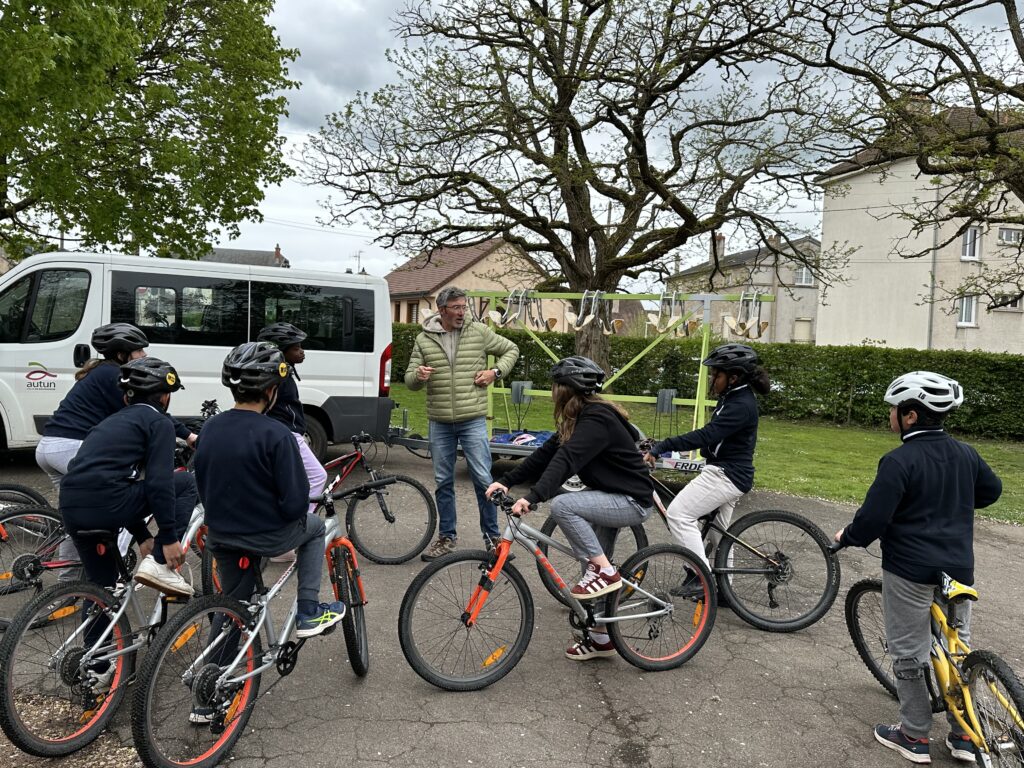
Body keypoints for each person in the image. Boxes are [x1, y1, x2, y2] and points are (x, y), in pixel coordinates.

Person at [834, 371, 1002, 764]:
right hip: (958, 567)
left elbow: (873, 519)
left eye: (894, 410)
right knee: (958, 649)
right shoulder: (965, 453)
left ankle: (914, 735)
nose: (889, 415)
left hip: (911, 569)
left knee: (909, 652)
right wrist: (950, 503)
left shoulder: (898, 460)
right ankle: (964, 735)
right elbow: (991, 491)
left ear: (910, 416)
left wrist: (846, 536)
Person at [485, 356, 655, 661]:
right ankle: (602, 638)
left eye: (554, 384)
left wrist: (534, 497)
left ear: (566, 389)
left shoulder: (596, 419)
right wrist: (508, 481)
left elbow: (567, 461)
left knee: (564, 505)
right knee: (589, 568)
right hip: (609, 495)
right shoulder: (577, 418)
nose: (551, 390)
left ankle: (605, 571)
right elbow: (547, 454)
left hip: (631, 501)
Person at [193, 342, 345, 640]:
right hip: (267, 535)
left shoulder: (210, 427)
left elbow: (203, 482)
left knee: (234, 607)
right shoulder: (277, 434)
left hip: (221, 534)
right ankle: (309, 611)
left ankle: (215, 672)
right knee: (315, 529)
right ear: (271, 391)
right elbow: (293, 504)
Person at [34, 323, 198, 578]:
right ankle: (136, 563)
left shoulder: (102, 377)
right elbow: (151, 415)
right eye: (139, 351)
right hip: (70, 444)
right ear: (123, 354)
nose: (143, 355)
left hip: (51, 448)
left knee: (85, 509)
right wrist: (188, 435)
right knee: (123, 490)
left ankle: (72, 586)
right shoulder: (119, 377)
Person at [59, 357, 198, 598]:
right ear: (165, 397)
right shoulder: (159, 423)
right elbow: (159, 483)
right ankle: (159, 565)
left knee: (101, 591)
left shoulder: (107, 423)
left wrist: (142, 535)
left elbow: (115, 481)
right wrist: (167, 537)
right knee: (186, 483)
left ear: (126, 397)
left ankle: (96, 635)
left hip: (71, 506)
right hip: (109, 503)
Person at [405, 286, 520, 560]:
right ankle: (446, 538)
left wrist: (495, 372)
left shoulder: (478, 332)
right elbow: (409, 380)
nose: (461, 312)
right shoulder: (424, 339)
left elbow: (511, 349)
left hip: (472, 420)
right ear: (442, 310)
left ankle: (493, 539)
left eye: (464, 307)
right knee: (444, 481)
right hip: (440, 422)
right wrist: (418, 376)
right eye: (456, 307)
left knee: (483, 480)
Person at [643, 343, 770, 571]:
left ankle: (700, 579)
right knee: (719, 536)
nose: (712, 379)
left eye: (716, 374)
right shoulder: (732, 397)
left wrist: (664, 445)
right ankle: (723, 590)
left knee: (679, 515)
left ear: (733, 377)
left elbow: (707, 436)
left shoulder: (741, 404)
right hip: (729, 472)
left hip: (725, 475)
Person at [256, 321, 328, 562]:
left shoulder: (282, 372)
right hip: (286, 434)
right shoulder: (279, 376)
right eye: (297, 348)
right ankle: (292, 534)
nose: (302, 352)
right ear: (282, 351)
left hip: (286, 433)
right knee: (317, 477)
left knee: (283, 484)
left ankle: (278, 534)